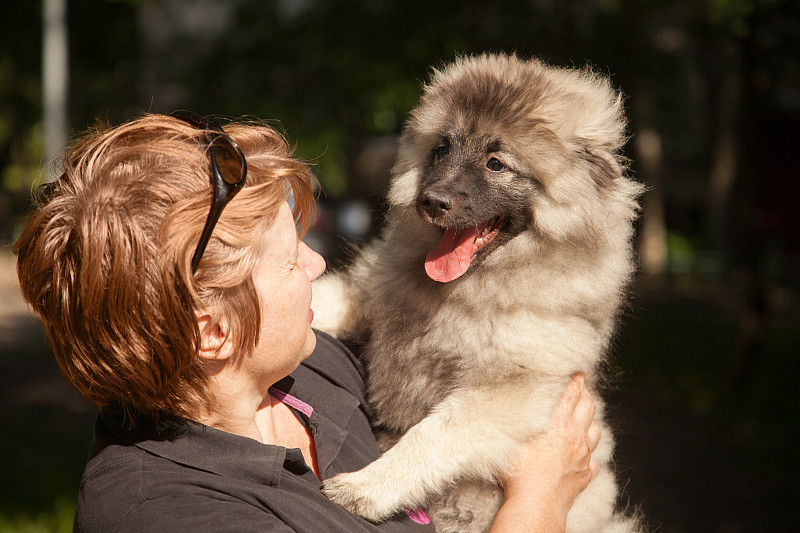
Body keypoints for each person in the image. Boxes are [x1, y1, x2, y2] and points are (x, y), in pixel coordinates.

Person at [14, 112, 601, 532]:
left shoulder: (304, 368)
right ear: (211, 331)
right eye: (290, 260)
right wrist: (541, 495)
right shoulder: (170, 512)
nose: (317, 263)